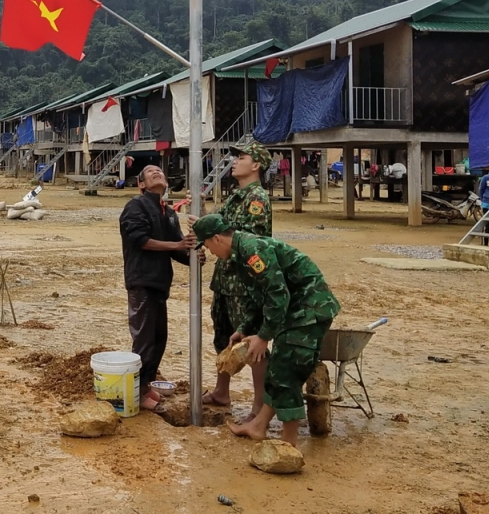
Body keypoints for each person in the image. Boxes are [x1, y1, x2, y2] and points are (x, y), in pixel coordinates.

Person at [191, 214, 340, 445]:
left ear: (217, 238)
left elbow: (277, 294)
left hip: (309, 310)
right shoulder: (241, 253)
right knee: (276, 372)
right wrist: (244, 328)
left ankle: (288, 444)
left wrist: (263, 336)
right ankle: (258, 427)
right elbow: (257, 297)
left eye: (208, 245)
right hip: (294, 310)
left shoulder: (252, 252)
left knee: (286, 371)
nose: (209, 252)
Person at [201, 141, 273, 418]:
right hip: (225, 279)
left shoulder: (257, 199)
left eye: (241, 157)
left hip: (244, 281)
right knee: (223, 335)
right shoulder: (237, 196)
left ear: (255, 165)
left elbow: (242, 239)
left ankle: (259, 404)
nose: (235, 161)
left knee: (252, 343)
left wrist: (211, 226)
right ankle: (222, 391)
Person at [119, 164, 198, 411]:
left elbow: (178, 246)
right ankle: (135, 391)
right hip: (141, 280)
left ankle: (144, 386)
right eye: (150, 171)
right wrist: (177, 247)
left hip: (160, 283)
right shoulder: (136, 206)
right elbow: (140, 240)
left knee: (158, 338)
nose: (157, 172)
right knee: (143, 339)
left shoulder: (169, 213)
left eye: (160, 171)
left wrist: (193, 255)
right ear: (140, 184)